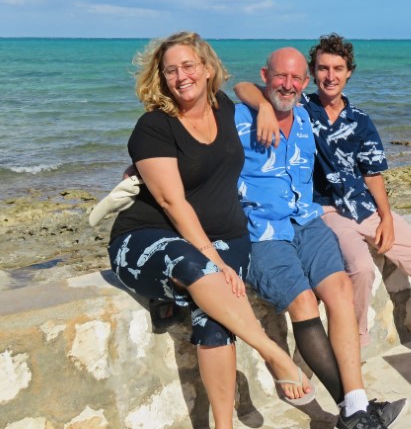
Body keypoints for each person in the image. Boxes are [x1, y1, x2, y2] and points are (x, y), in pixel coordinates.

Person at [234, 34, 411, 374]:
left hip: (366, 209)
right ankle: (350, 348)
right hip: (326, 211)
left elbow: (373, 174)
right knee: (360, 267)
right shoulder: (300, 110)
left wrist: (386, 217)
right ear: (312, 74)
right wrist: (265, 107)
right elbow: (244, 87)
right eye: (323, 68)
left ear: (349, 73)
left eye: (338, 69)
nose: (330, 76)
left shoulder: (360, 120)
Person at [105, 32, 314, 429]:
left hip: (228, 238)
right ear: (161, 77)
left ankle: (223, 426)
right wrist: (213, 259)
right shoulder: (153, 127)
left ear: (206, 68)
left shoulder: (224, 108)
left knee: (215, 318)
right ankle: (274, 355)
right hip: (147, 238)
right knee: (198, 268)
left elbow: (249, 88)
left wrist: (266, 110)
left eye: (188, 66)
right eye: (170, 70)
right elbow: (171, 203)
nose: (181, 76)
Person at [235, 47, 406, 429]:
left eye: (297, 78)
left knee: (342, 288)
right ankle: (356, 412)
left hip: (308, 223)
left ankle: (356, 408)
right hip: (263, 232)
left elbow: (365, 163)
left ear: (305, 83)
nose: (289, 84)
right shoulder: (239, 119)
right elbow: (233, 88)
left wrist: (385, 213)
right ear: (266, 75)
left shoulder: (305, 118)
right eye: (281, 76)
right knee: (302, 301)